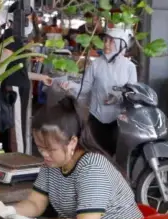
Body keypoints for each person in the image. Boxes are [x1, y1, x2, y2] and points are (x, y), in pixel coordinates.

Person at [0, 97, 143, 219]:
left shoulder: (92, 166)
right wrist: (9, 211)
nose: (44, 154)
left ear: (72, 142)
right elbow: (35, 203)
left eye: (50, 149)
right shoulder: (51, 164)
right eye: (40, 147)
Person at [59, 27, 137, 156]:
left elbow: (132, 93)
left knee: (114, 157)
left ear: (120, 44)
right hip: (96, 118)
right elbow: (85, 88)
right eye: (105, 40)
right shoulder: (96, 65)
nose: (105, 44)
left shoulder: (129, 67)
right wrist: (71, 85)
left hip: (118, 120)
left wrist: (118, 97)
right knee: (95, 154)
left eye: (110, 41)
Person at [0, 28, 52, 153]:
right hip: (14, 89)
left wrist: (41, 77)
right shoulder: (12, 36)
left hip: (21, 88)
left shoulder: (21, 39)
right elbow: (2, 66)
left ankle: (23, 155)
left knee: (22, 125)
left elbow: (19, 72)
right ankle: (19, 157)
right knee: (17, 126)